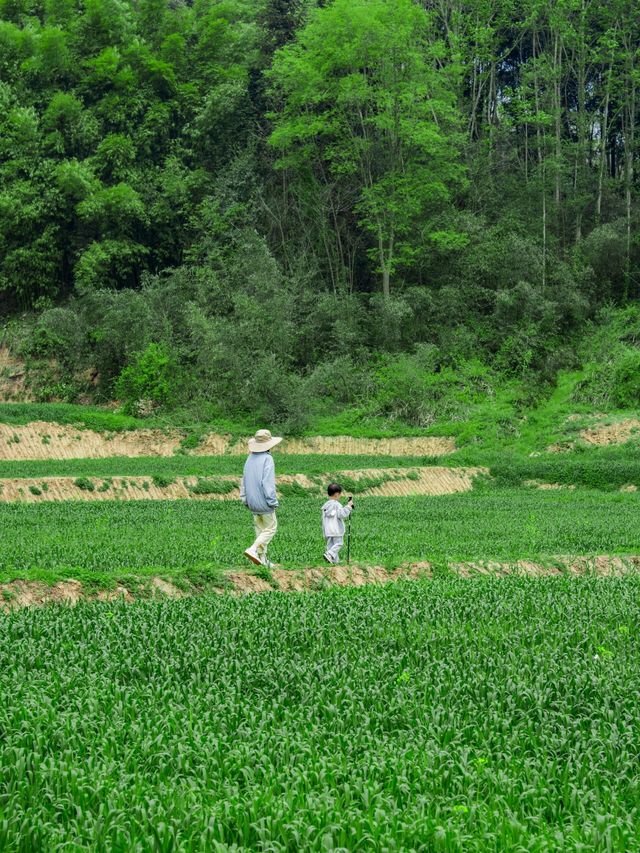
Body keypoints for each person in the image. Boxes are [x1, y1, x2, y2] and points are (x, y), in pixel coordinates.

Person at [240, 428, 282, 568]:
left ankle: (262, 559)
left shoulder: (249, 458)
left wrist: (245, 499)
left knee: (260, 529)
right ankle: (253, 549)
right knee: (270, 528)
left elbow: (244, 481)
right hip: (264, 502)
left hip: (252, 502)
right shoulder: (267, 459)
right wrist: (272, 501)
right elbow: (267, 483)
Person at [321, 483, 353, 565]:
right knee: (339, 543)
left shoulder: (325, 506)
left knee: (331, 546)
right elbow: (342, 514)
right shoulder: (336, 505)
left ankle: (335, 562)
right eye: (339, 495)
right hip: (336, 530)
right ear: (336, 494)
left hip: (328, 531)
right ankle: (329, 554)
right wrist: (348, 507)